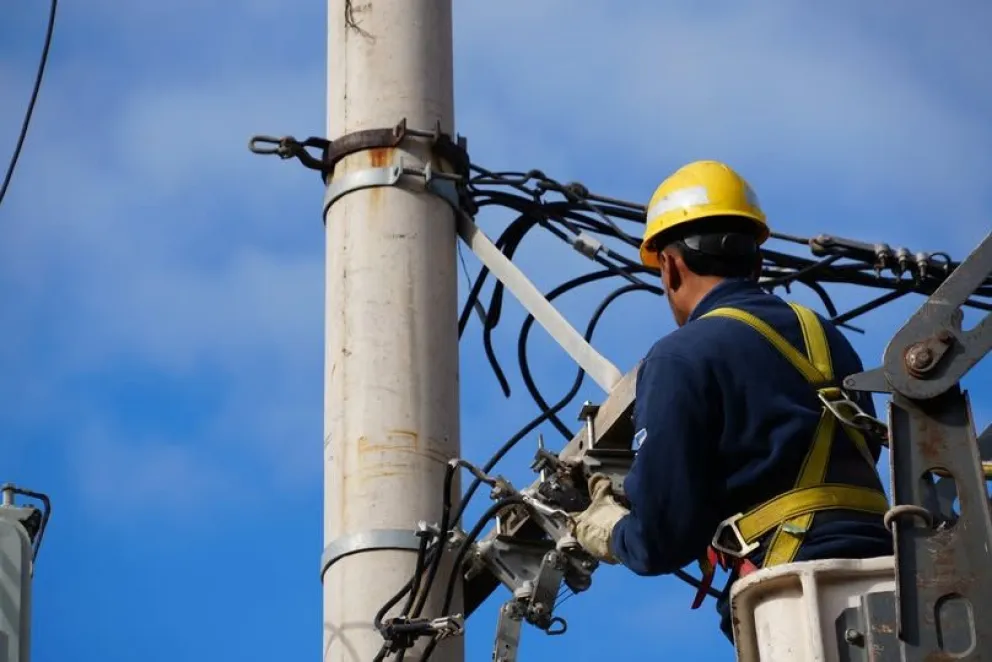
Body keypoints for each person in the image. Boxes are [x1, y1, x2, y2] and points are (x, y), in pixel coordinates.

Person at [570, 160, 894, 641]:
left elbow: (661, 538)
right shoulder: (826, 338)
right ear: (756, 260)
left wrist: (613, 531)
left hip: (797, 603)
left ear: (670, 265)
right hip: (895, 582)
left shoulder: (680, 356)